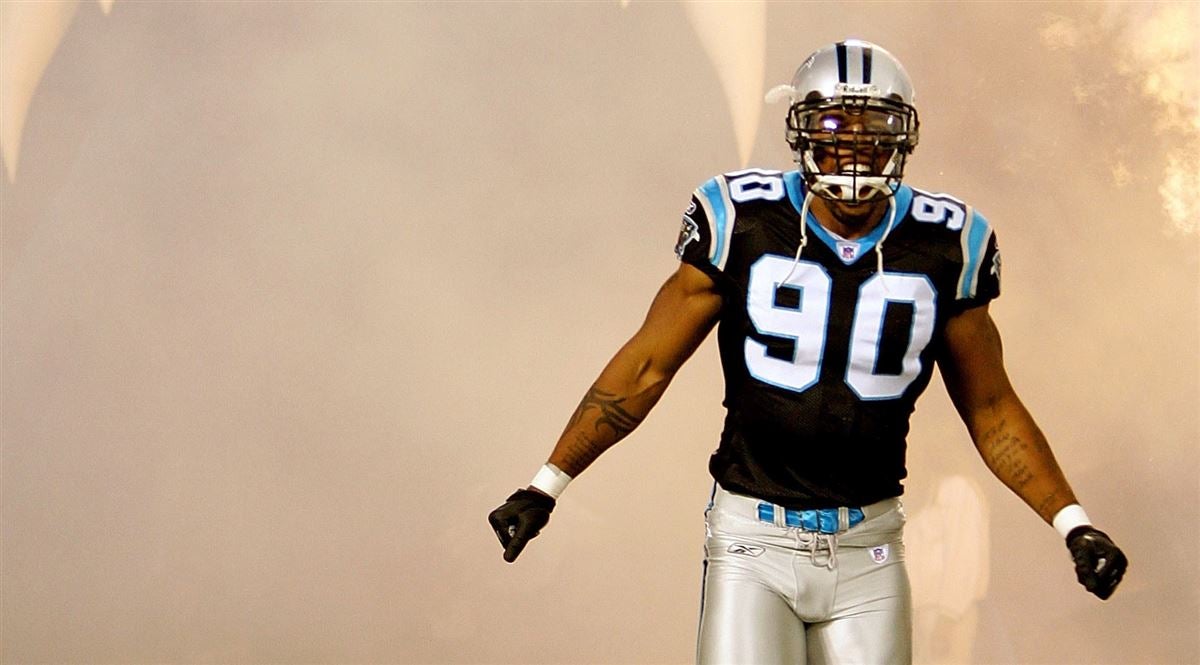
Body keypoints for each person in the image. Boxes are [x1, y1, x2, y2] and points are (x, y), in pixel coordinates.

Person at [488, 39, 1127, 664]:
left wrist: (1072, 522)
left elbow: (990, 407)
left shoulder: (949, 242)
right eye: (832, 123)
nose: (851, 145)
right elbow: (647, 366)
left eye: (872, 126)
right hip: (751, 539)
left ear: (901, 136)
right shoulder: (741, 218)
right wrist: (547, 484)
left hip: (870, 546)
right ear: (802, 131)